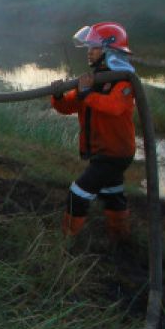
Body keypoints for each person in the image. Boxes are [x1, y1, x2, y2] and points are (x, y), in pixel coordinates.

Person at [51, 22, 137, 240]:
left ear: (110, 50)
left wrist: (86, 94)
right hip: (103, 152)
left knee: (77, 195)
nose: (89, 52)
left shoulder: (122, 81)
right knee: (113, 194)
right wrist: (58, 96)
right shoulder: (92, 80)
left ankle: (69, 242)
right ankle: (121, 238)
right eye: (89, 47)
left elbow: (114, 107)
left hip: (114, 154)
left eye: (95, 47)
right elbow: (68, 107)